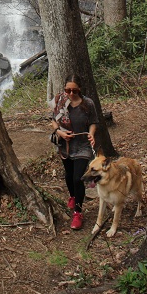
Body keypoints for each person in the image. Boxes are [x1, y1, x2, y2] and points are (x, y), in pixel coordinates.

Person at [50, 74, 98, 230]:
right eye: (67, 90)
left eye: (74, 91)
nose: (70, 94)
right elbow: (53, 120)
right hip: (65, 144)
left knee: (78, 178)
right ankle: (72, 195)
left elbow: (93, 122)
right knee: (69, 175)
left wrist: (91, 133)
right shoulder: (60, 101)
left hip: (82, 145)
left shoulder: (88, 103)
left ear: (80, 89)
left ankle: (78, 211)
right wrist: (59, 132)